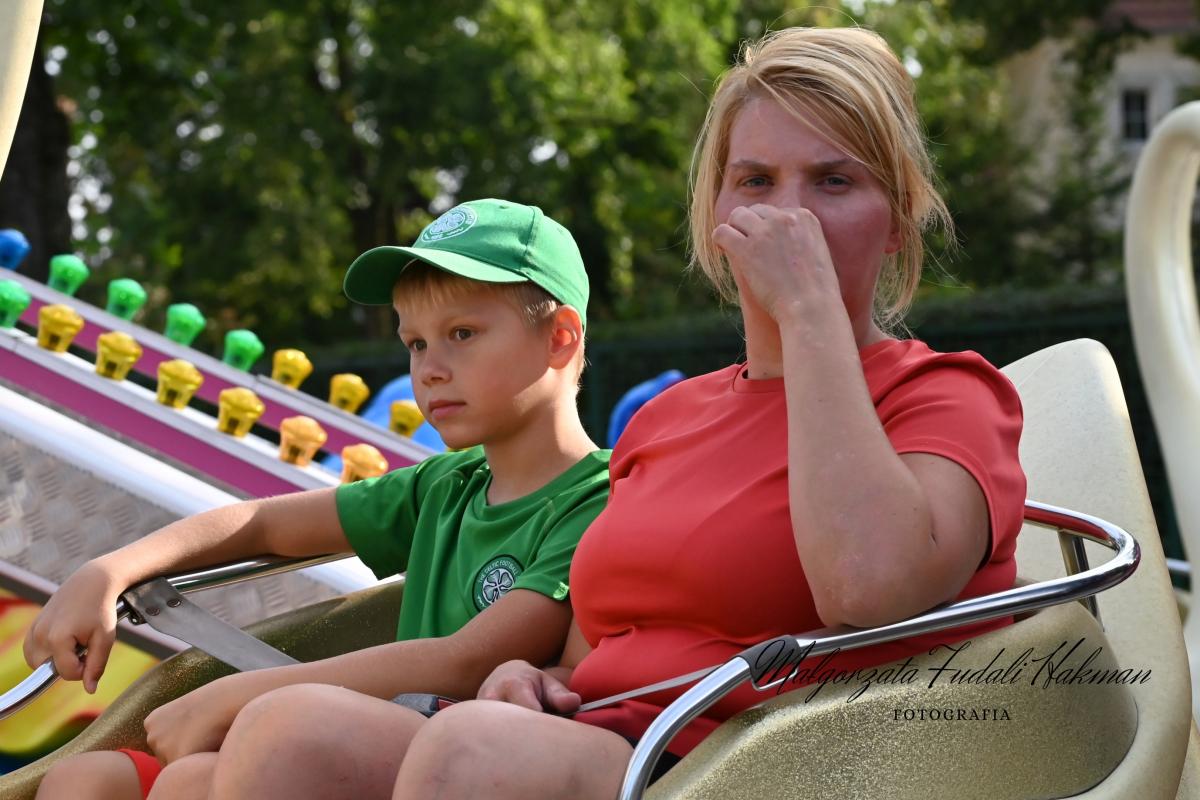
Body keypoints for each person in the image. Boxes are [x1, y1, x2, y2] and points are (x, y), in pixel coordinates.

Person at [356, 25, 1022, 798]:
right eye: (756, 181)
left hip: (776, 768)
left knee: (470, 754)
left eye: (834, 181)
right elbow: (594, 655)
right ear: (715, 214)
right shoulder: (666, 418)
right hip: (608, 741)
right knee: (294, 731)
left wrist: (809, 314)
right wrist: (533, 678)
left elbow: (869, 588)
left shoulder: (947, 395)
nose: (790, 216)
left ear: (898, 221)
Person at [25, 198, 610, 800]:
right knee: (85, 781)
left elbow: (469, 659)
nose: (430, 369)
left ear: (560, 338)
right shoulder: (447, 483)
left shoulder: (603, 498)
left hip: (462, 765)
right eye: (415, 343)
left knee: (214, 766)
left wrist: (242, 694)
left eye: (462, 334)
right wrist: (110, 571)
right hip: (369, 741)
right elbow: (262, 524)